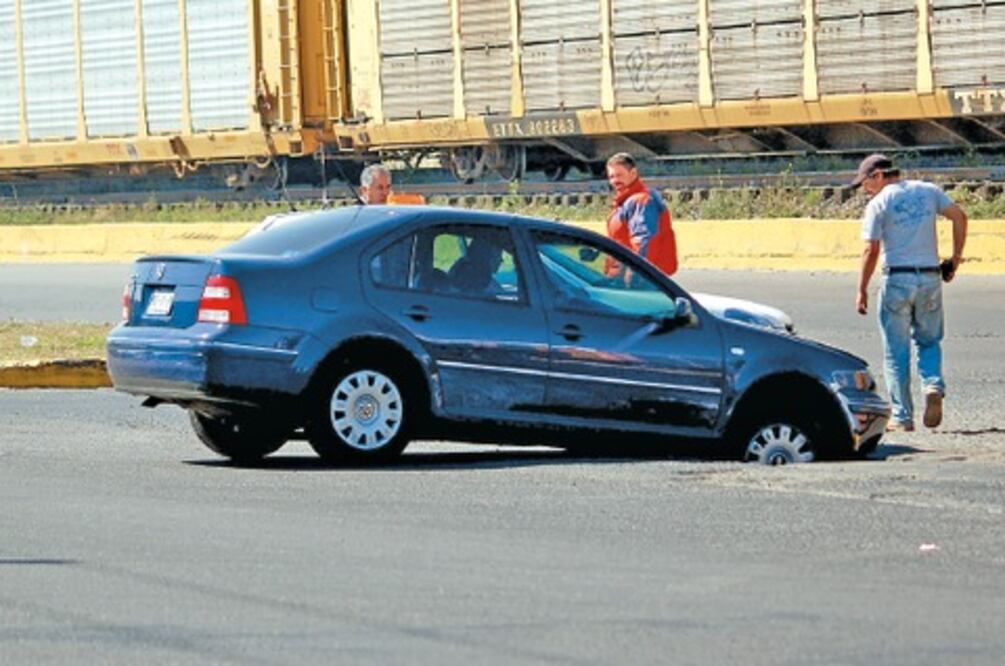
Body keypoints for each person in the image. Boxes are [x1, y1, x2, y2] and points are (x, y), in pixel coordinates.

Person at [853, 154, 968, 432]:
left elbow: (871, 249)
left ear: (878, 175)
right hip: (929, 277)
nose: (864, 189)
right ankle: (932, 386)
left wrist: (862, 289)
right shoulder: (928, 191)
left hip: (897, 279)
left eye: (865, 182)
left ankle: (903, 416)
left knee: (895, 350)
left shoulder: (879, 202)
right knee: (929, 341)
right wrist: (955, 258)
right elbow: (959, 217)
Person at [604, 152, 678, 277]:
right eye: (611, 177)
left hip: (642, 278)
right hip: (630, 274)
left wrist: (636, 275)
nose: (615, 181)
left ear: (633, 173)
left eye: (619, 175)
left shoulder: (641, 201)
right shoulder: (627, 201)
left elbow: (644, 241)